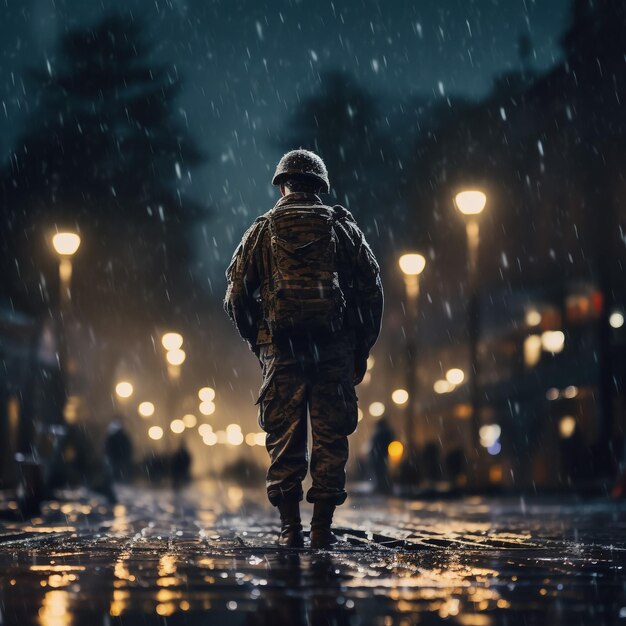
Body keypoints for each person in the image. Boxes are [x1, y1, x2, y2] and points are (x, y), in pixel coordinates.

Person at [224, 149, 383, 548]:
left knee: (284, 438)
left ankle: (289, 528)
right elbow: (371, 289)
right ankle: (322, 529)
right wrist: (360, 345)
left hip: (282, 351)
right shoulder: (341, 228)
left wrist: (258, 339)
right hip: (333, 350)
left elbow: (235, 296)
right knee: (331, 438)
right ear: (320, 186)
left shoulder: (261, 230)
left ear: (282, 185)